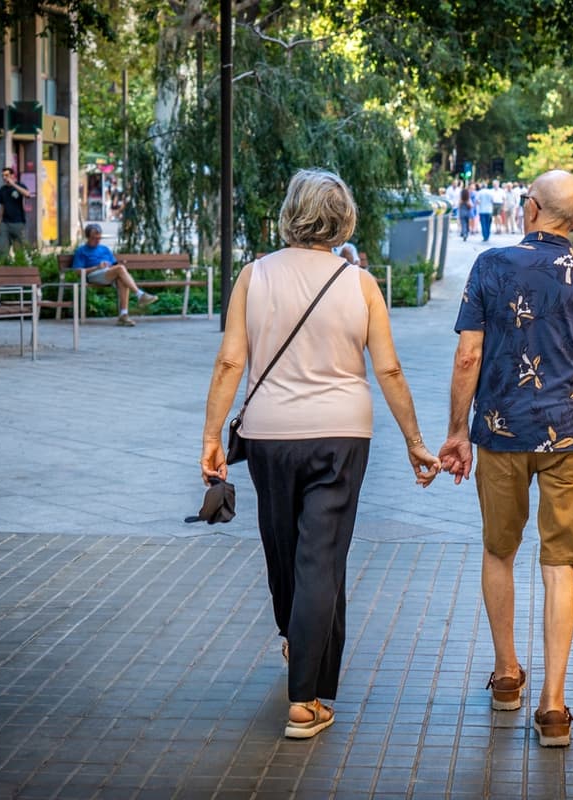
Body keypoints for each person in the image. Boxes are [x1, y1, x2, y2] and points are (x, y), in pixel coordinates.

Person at [200, 168, 440, 740]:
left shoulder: (253, 277)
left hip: (269, 437)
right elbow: (388, 368)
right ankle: (305, 695)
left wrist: (211, 435)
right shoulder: (359, 285)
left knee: (283, 550)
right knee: (319, 558)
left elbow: (232, 361)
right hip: (341, 436)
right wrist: (414, 442)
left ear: (290, 212)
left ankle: (300, 666)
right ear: (344, 220)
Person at [438, 169, 573, 748]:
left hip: (501, 434)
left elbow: (467, 358)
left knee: (498, 549)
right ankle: (553, 706)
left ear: (530, 209)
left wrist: (457, 432)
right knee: (560, 565)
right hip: (572, 438)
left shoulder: (490, 266)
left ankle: (507, 676)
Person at [69, 223, 158, 327]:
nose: (97, 240)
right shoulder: (81, 251)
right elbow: (78, 271)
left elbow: (115, 265)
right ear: (88, 237)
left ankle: (123, 315)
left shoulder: (104, 249)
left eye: (99, 238)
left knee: (122, 279)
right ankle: (139, 294)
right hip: (93, 275)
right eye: (94, 238)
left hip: (108, 273)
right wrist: (97, 267)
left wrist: (110, 267)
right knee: (120, 269)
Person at [0, 167, 32, 261]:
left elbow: (28, 194)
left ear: (12, 175)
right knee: (2, 250)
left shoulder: (20, 185)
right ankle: (1, 272)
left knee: (19, 252)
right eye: (3, 176)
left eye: (6, 175)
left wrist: (13, 185)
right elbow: (1, 208)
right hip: (5, 223)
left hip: (18, 223)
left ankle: (19, 272)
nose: (4, 177)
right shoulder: (2, 190)